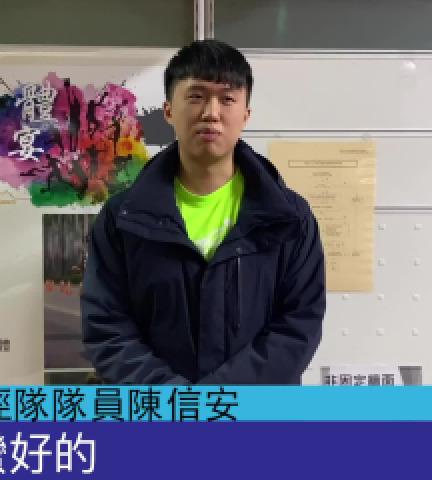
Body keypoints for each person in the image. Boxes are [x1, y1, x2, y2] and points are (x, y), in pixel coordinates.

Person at [80, 39, 326, 384]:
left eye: (227, 99)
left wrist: (217, 400)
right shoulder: (122, 219)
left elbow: (298, 326)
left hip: (254, 413)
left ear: (245, 114)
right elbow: (107, 327)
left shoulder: (289, 218)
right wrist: (178, 402)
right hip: (158, 413)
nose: (211, 112)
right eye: (196, 96)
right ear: (168, 111)